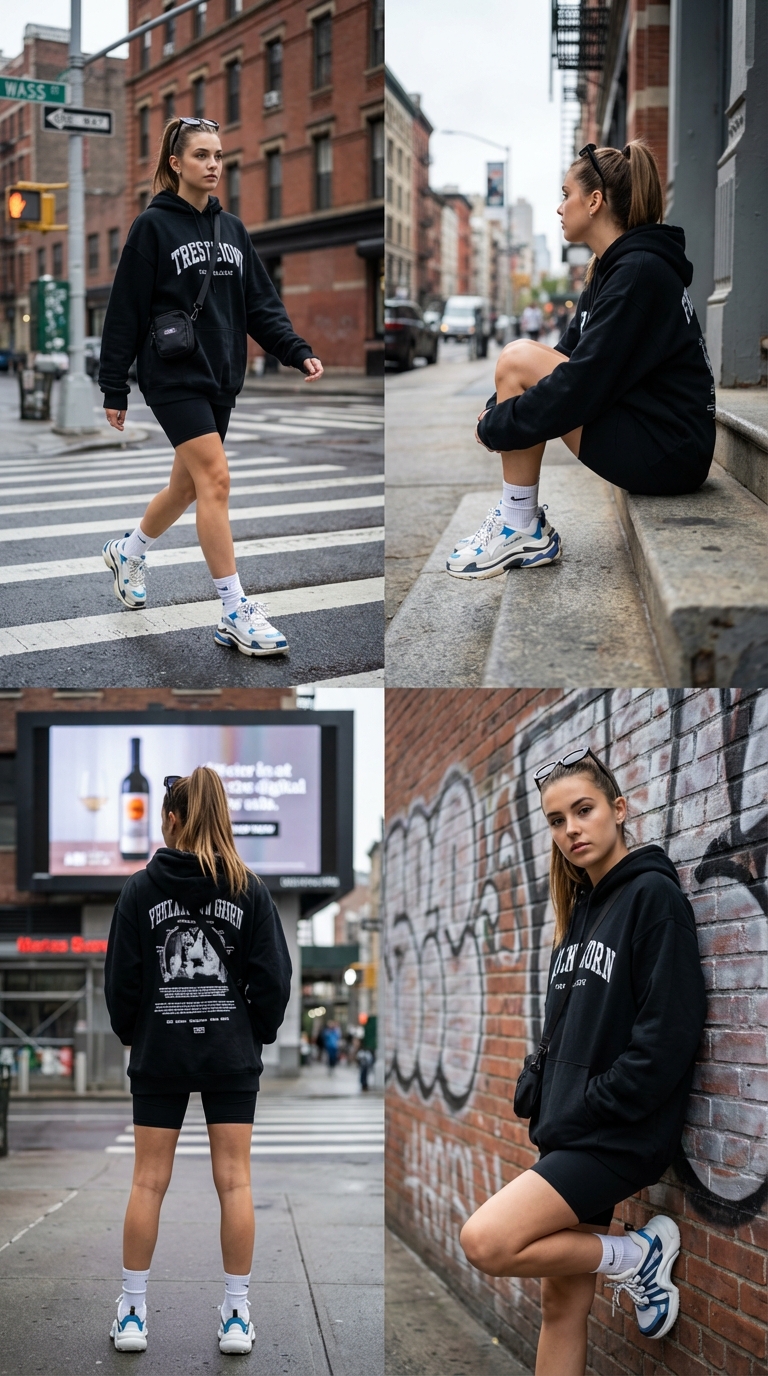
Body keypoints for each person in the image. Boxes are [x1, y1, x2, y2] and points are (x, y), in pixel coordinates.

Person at [459, 747, 707, 1376]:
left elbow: (668, 1036)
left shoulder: (653, 898)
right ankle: (627, 1258)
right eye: (555, 819)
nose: (571, 829)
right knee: (561, 1305)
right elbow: (571, 1031)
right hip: (575, 1128)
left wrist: (593, 1102)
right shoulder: (582, 912)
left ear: (618, 810)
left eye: (584, 810)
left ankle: (636, 1257)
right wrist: (541, 1087)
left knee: (486, 1241)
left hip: (615, 1135)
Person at [98, 117, 324, 655]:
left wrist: (296, 350)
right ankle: (233, 609)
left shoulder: (235, 231)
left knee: (188, 487)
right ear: (176, 164)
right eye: (202, 155)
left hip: (222, 374)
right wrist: (114, 387)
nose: (214, 164)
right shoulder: (152, 228)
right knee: (216, 480)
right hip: (172, 374)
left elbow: (261, 307)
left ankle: (129, 551)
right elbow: (124, 309)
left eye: (219, 155)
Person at [446, 139, 715, 579]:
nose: (559, 207)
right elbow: (564, 356)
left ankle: (520, 525)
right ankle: (521, 522)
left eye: (566, 194)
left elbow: (579, 386)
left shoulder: (638, 272)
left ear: (594, 201)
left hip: (669, 453)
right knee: (521, 364)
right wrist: (499, 410)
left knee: (515, 359)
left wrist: (496, 426)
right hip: (658, 436)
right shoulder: (610, 269)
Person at [104, 767, 292, 1356]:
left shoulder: (139, 889)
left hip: (160, 1051)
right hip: (229, 1054)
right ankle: (235, 1316)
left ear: (172, 820)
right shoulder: (250, 889)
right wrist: (250, 1034)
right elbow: (275, 981)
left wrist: (137, 1034)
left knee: (146, 1182)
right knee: (235, 1183)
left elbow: (122, 984)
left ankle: (133, 1313)